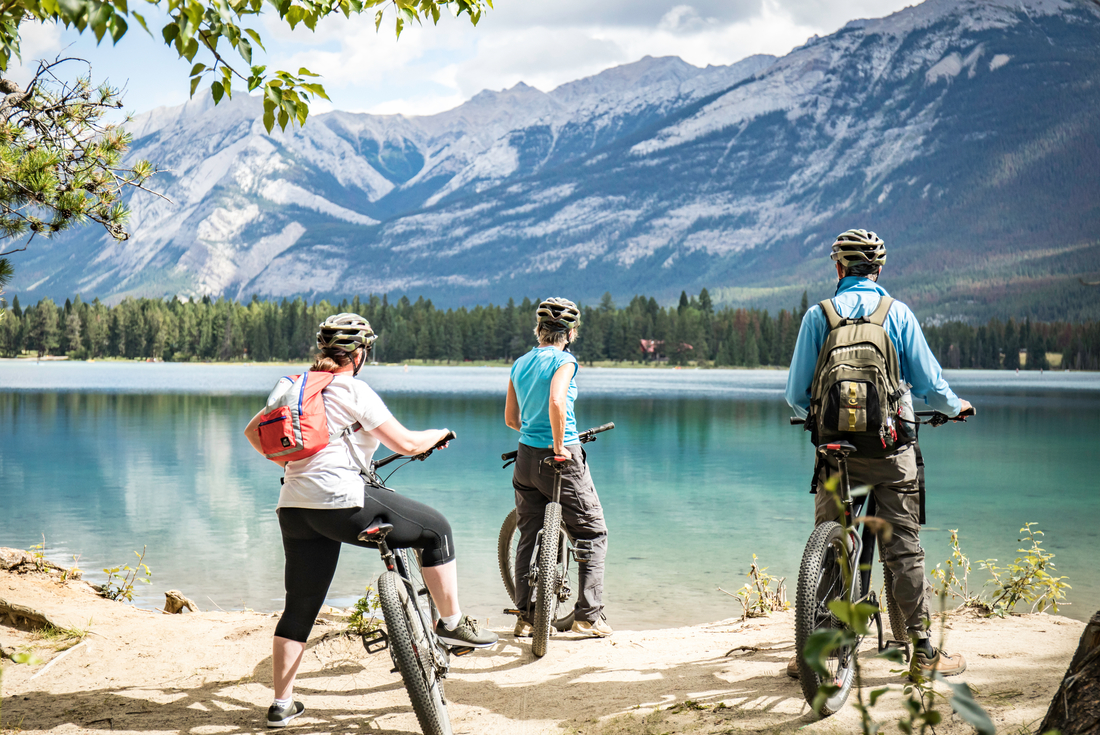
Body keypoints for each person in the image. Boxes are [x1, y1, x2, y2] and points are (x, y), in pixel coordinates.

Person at [244, 313, 497, 728]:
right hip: (343, 502)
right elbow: (408, 444)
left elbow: (254, 432)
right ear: (359, 354)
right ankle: (451, 625)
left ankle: (281, 705)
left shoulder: (294, 386)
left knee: (301, 605)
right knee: (437, 531)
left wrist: (294, 462)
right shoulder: (353, 389)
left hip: (293, 507)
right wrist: (440, 432)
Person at [785, 230, 973, 680]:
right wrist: (956, 407)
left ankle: (814, 647)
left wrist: (819, 420)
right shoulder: (898, 314)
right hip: (892, 450)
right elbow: (929, 384)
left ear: (838, 269)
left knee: (832, 543)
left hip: (837, 454)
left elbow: (795, 394)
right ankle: (924, 652)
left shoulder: (819, 315)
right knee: (904, 550)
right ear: (879, 270)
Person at [505, 297, 611, 638]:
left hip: (524, 457)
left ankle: (525, 616)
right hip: (560, 455)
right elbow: (556, 400)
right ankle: (588, 615)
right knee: (592, 532)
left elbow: (511, 418)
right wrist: (557, 443)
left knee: (528, 533)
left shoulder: (520, 363)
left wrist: (534, 434)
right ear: (572, 332)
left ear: (539, 329)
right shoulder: (565, 361)